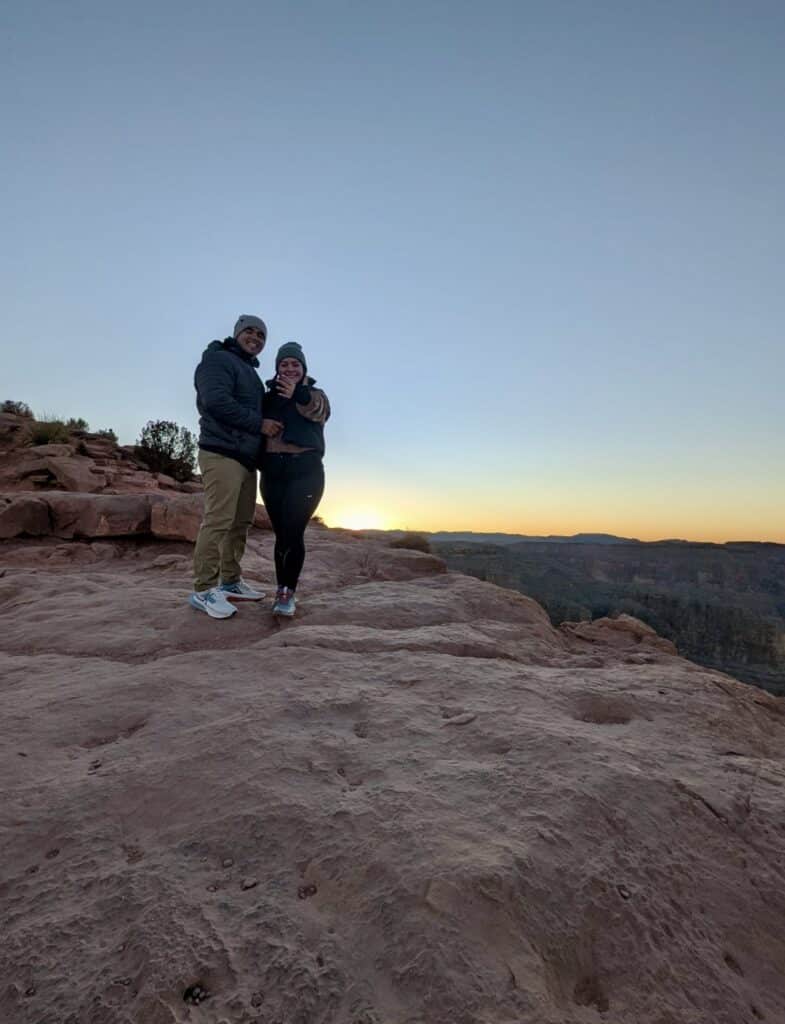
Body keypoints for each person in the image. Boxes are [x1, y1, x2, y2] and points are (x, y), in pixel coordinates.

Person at [189, 314, 268, 618]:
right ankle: (204, 589)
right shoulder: (218, 360)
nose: (255, 338)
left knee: (240, 523)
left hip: (245, 459)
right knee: (219, 520)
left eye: (261, 335)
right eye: (249, 331)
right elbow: (215, 401)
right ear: (236, 334)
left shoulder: (248, 370)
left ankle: (230, 582)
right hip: (220, 451)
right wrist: (260, 424)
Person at [260, 341, 330, 617]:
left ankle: (289, 592)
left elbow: (319, 410)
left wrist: (297, 394)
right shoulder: (266, 398)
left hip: (306, 471)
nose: (289, 368)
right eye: (284, 364)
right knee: (281, 534)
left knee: (293, 530)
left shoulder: (315, 394)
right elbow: (255, 423)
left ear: (303, 369)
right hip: (273, 471)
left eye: (295, 364)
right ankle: (281, 589)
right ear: (277, 367)